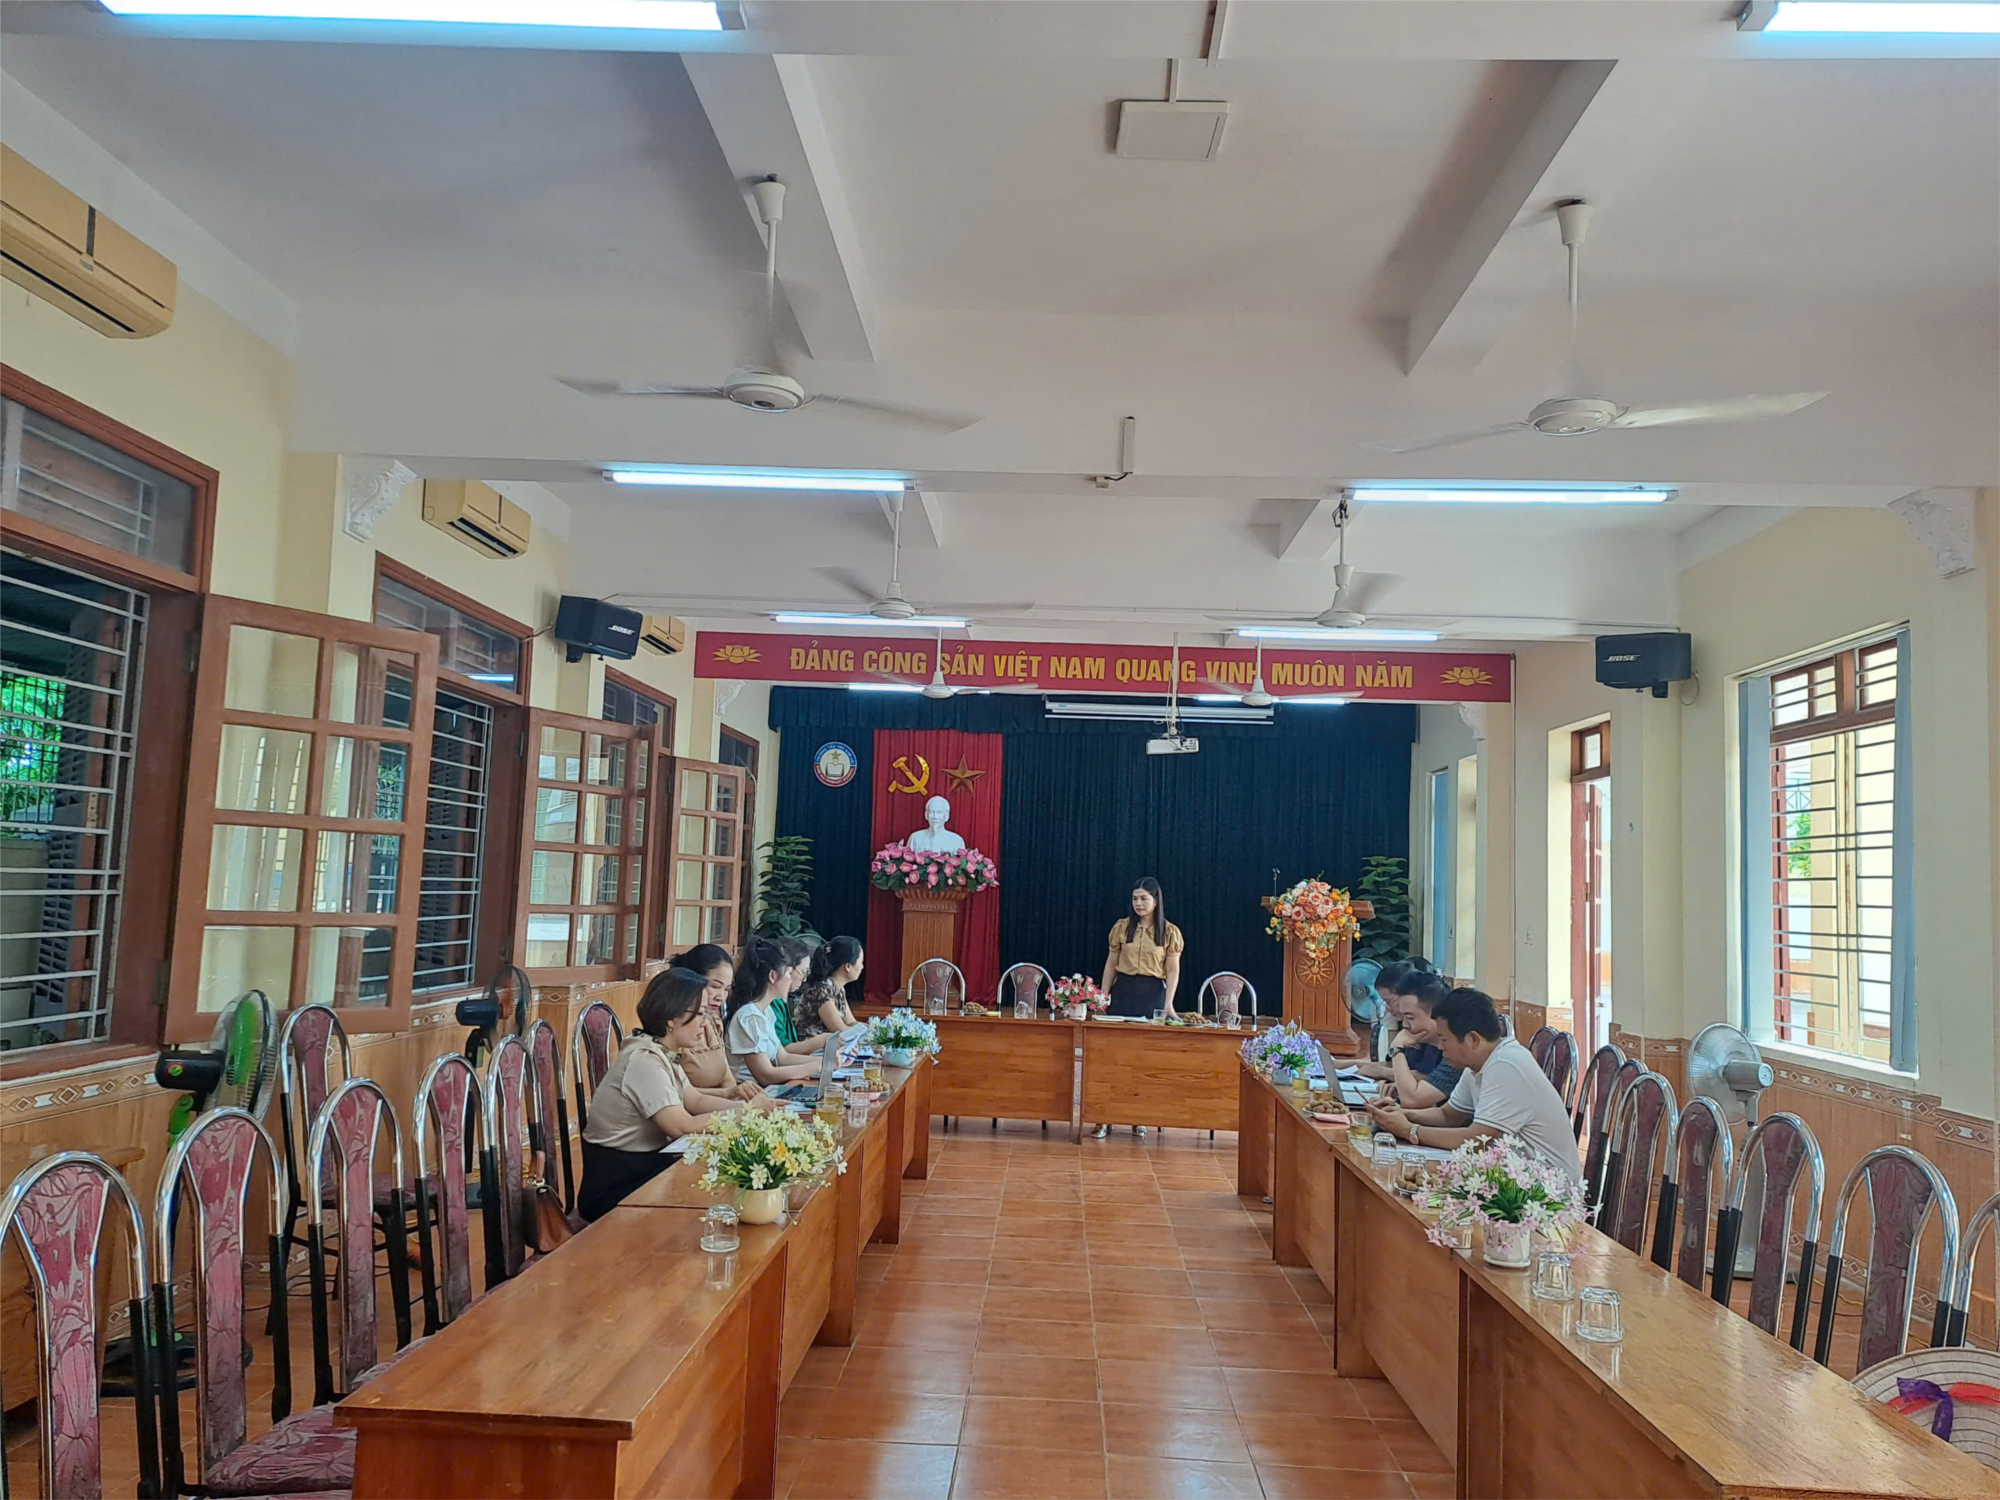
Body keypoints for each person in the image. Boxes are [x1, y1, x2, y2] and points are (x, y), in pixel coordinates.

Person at [578, 967, 775, 1221]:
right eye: (699, 1014)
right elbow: (683, 1127)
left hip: (646, 1168)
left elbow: (694, 1100)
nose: (705, 1023)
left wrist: (754, 1108)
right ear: (672, 1017)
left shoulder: (661, 1051)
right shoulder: (644, 1061)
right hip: (618, 1185)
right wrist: (747, 1113)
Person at [1365, 987, 1584, 1190]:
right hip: (1508, 1183)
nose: (1440, 1047)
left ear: (1473, 1039)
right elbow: (1448, 1115)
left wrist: (1409, 1130)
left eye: (1444, 1039)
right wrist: (1401, 1114)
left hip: (1546, 1196)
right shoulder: (1477, 1064)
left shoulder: (1506, 1065)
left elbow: (1478, 1141)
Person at [1093, 877, 1183, 1138]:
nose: (1139, 903)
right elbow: (1111, 963)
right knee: (1112, 1059)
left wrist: (1168, 1004)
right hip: (1123, 994)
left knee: (1144, 1061)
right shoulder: (1122, 927)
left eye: (1144, 898)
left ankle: (1138, 1117)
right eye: (1135, 898)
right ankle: (1103, 1118)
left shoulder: (1169, 932)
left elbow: (1172, 969)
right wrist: (1103, 997)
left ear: (1156, 901)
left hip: (1152, 996)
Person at [725, 937, 825, 1086]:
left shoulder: (766, 1011)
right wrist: (815, 1067)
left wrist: (825, 1062)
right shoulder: (749, 1016)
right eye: (789, 973)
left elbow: (782, 1058)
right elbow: (765, 1075)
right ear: (772, 976)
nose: (790, 980)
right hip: (751, 1093)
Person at [1374, 972, 1462, 1110]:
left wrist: (1397, 1047)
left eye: (1410, 1018)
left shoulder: (1457, 1052)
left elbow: (1412, 1100)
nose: (1405, 1025)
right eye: (1403, 1017)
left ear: (1435, 1013)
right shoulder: (1429, 1044)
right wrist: (1397, 1104)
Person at [1352, 958, 1441, 1081]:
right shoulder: (1410, 1027)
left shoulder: (1431, 1033)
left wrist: (1382, 1071)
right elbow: (1394, 1065)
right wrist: (1336, 1065)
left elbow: (1430, 1077)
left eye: (1390, 1001)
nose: (1388, 1008)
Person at [794, 936, 863, 1040]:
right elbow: (841, 1031)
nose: (862, 967)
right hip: (813, 1047)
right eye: (861, 962)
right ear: (848, 966)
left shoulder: (839, 989)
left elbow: (851, 1023)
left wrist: (875, 1029)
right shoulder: (820, 990)